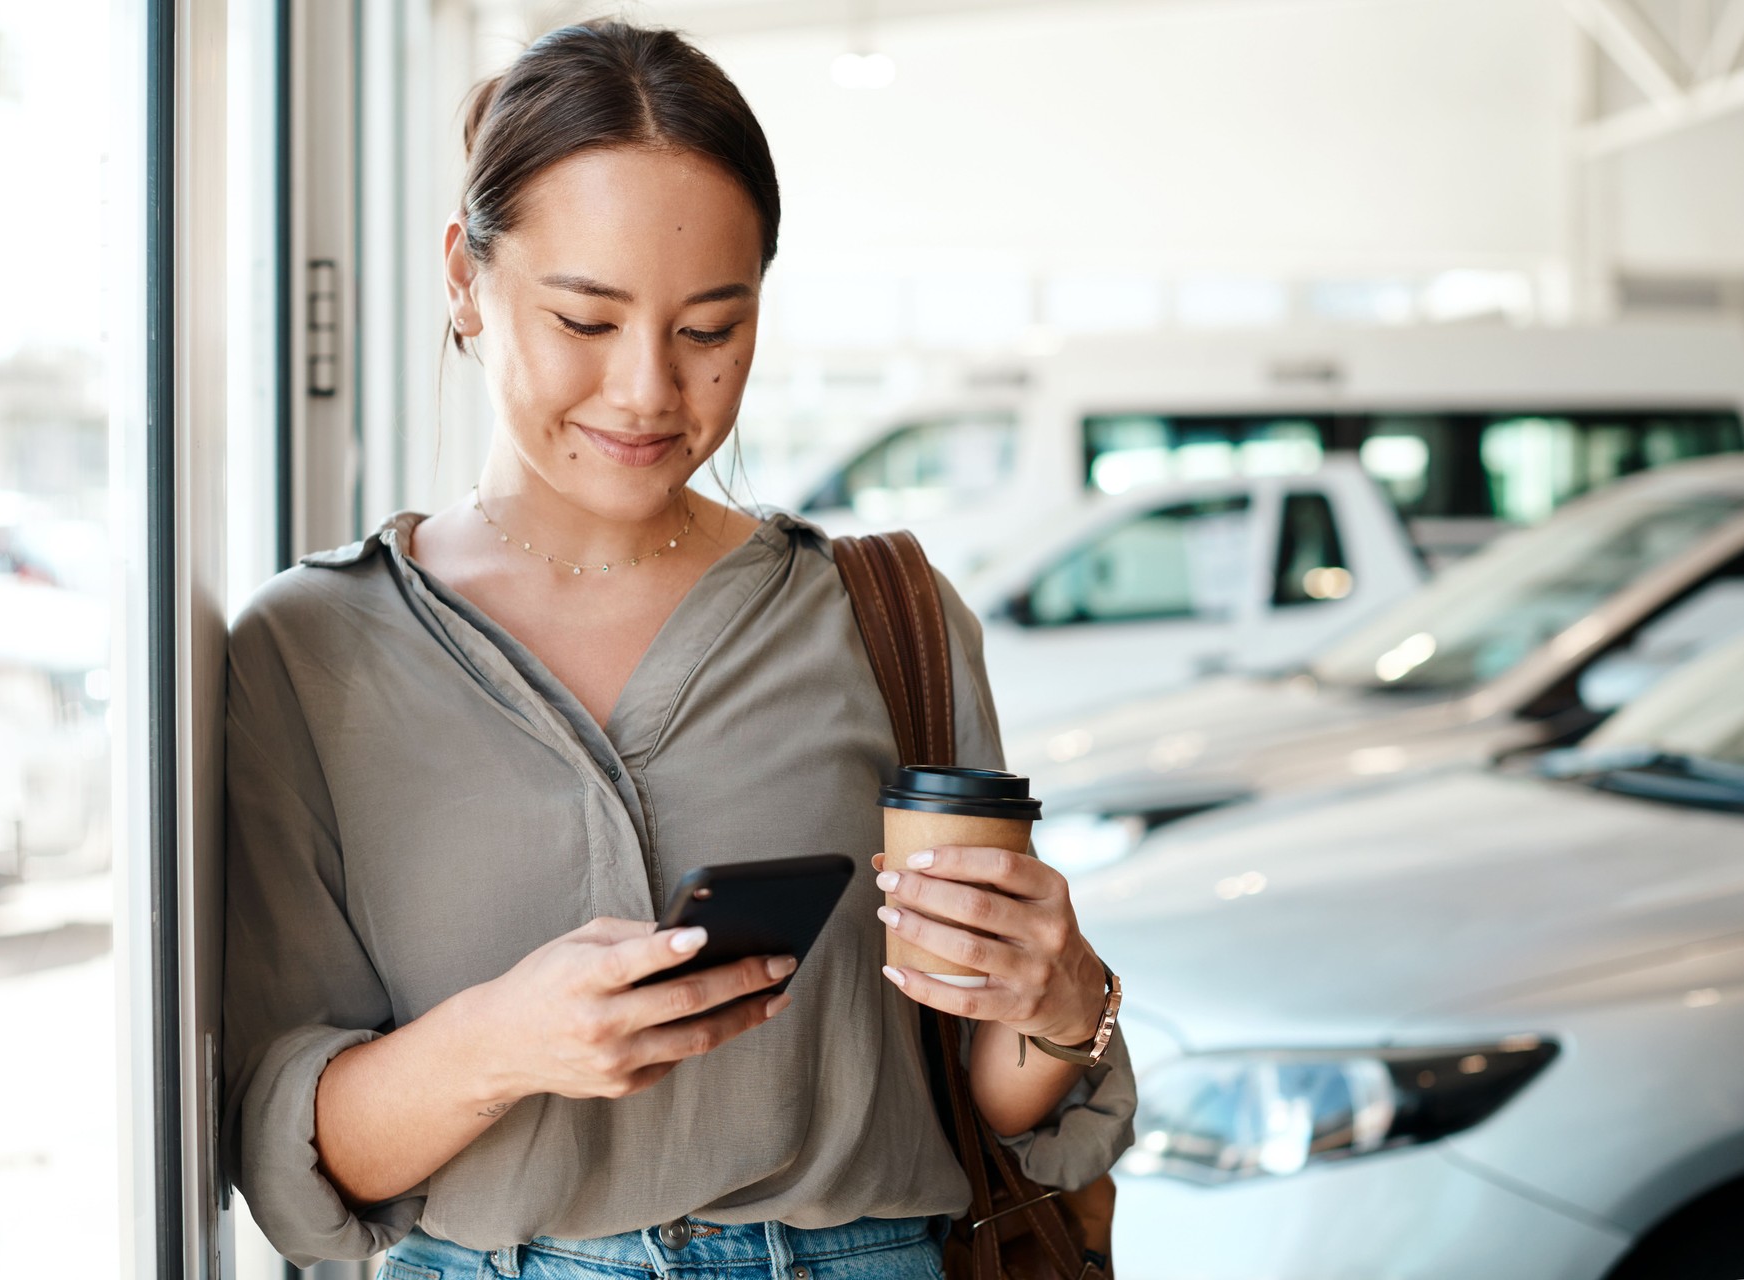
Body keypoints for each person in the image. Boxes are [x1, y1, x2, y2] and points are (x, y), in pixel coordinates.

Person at [221, 20, 1136, 1280]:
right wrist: (504, 1042)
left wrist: (1057, 996)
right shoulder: (309, 649)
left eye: (711, 328)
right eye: (585, 320)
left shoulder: (886, 616)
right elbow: (300, 1157)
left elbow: (997, 1102)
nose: (649, 390)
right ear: (462, 281)